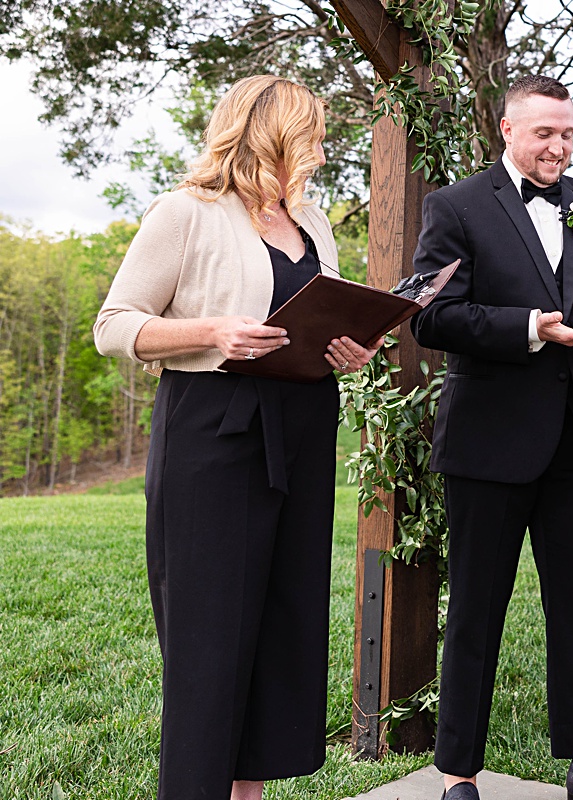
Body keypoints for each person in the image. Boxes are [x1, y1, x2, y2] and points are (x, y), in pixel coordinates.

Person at [92, 75, 383, 800]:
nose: (320, 144)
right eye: (310, 129)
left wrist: (351, 350)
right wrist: (212, 331)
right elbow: (115, 326)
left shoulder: (313, 223)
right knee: (210, 637)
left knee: (284, 628)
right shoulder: (185, 212)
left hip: (304, 427)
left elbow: (319, 317)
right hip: (213, 433)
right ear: (271, 132)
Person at [410, 75, 573, 800]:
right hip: (490, 441)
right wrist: (528, 329)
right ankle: (458, 773)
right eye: (545, 132)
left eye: (569, 133)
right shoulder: (455, 206)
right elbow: (430, 314)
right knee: (478, 607)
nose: (559, 146)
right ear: (507, 131)